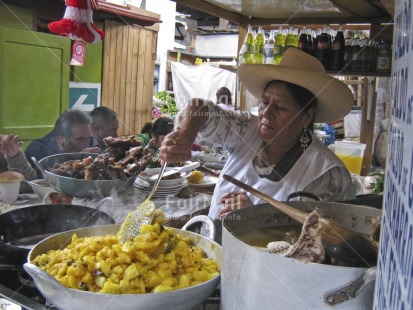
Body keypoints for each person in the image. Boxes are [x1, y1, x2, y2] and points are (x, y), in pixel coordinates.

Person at [159, 48, 353, 223]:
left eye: (280, 107)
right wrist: (183, 134)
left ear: (307, 116)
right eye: (264, 102)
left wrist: (255, 217)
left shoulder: (325, 174)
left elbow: (317, 236)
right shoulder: (246, 129)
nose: (266, 113)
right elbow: (198, 107)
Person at [25, 109, 100, 177]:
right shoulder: (37, 150)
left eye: (88, 139)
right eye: (79, 139)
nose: (86, 144)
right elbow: (45, 179)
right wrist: (78, 159)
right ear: (61, 138)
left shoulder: (89, 142)